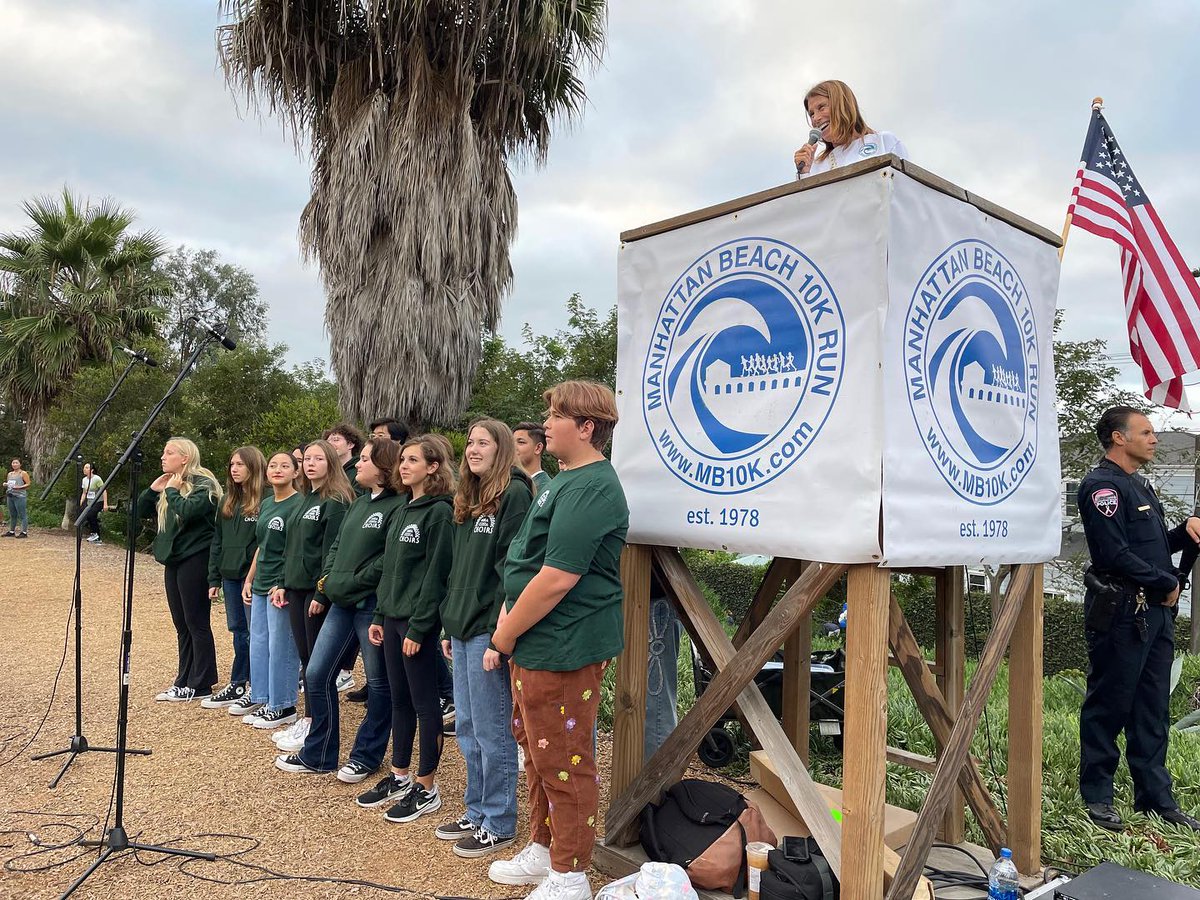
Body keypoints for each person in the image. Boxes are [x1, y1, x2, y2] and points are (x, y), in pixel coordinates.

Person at [486, 381, 628, 900]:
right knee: (538, 749)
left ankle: (571, 875)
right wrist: (509, 619)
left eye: (556, 415)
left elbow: (557, 577)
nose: (545, 424)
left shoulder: (593, 487)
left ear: (586, 427)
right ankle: (546, 849)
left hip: (567, 644)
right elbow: (526, 563)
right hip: (537, 642)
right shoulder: (560, 481)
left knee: (565, 758)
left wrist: (502, 635)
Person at [1077, 407, 1200, 833]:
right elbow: (1114, 555)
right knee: (1108, 707)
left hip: (1156, 615)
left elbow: (1151, 549)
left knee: (1152, 709)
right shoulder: (1102, 488)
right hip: (1123, 614)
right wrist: (1165, 579)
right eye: (1146, 432)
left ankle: (1155, 799)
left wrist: (1185, 532)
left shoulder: (1140, 484)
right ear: (1118, 438)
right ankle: (1097, 797)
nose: (1155, 439)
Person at [274, 437, 405, 779]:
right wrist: (329, 583)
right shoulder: (359, 504)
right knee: (316, 674)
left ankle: (367, 754)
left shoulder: (398, 507)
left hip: (372, 606)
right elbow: (336, 547)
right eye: (359, 458)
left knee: (379, 684)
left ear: (384, 468)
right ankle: (320, 753)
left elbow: (388, 562)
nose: (358, 464)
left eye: (365, 459)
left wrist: (352, 582)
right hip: (342, 603)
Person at [436, 419, 532, 858]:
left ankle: (499, 819)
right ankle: (476, 810)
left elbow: (511, 571)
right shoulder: (468, 498)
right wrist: (447, 625)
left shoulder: (514, 493)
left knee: (494, 730)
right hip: (460, 625)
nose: (473, 449)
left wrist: (499, 636)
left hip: (487, 630)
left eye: (483, 442)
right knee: (469, 727)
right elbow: (458, 570)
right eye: (470, 442)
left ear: (502, 448)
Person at [359, 434, 456, 824]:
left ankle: (426, 786)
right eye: (402, 459)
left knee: (424, 703)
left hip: (418, 624)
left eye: (413, 460)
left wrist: (420, 627)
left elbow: (436, 573)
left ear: (433, 467)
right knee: (397, 699)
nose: (403, 465)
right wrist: (380, 616)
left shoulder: (440, 512)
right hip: (392, 619)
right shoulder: (401, 510)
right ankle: (399, 775)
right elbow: (391, 569)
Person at [272, 440, 355, 753]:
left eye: (318, 458)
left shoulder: (336, 501)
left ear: (331, 462)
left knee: (317, 666)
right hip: (295, 588)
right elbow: (292, 546)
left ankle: (316, 723)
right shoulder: (306, 498)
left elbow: (331, 551)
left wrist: (323, 590)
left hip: (316, 592)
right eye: (307, 458)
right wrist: (282, 581)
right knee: (306, 660)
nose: (310, 464)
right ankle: (308, 719)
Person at [137, 438, 222, 702]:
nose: (163, 457)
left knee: (196, 621)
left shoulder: (203, 483)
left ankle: (202, 683)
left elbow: (189, 511)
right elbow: (139, 511)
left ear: (185, 457)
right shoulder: (169, 483)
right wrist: (153, 490)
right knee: (181, 623)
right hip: (174, 559)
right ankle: (183, 679)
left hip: (195, 557)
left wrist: (172, 491)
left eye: (169, 452)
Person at [239, 451, 306, 731]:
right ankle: (263, 696)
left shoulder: (298, 504)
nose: (277, 470)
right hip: (261, 581)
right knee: (259, 642)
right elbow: (262, 546)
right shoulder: (266, 504)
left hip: (281, 585)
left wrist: (283, 582)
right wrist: (249, 578)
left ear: (295, 472)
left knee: (282, 646)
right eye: (273, 466)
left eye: (285, 466)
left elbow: (295, 549)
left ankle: (283, 704)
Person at [204, 446, 266, 711]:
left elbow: (265, 543)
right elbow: (217, 541)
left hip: (252, 577)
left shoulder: (266, 499)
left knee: (255, 634)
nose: (235, 469)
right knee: (237, 631)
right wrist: (213, 578)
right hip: (229, 575)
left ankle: (255, 685)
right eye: (232, 464)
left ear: (253, 466)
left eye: (240, 464)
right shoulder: (227, 501)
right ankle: (239, 682)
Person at [793, 79, 907, 179]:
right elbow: (809, 202)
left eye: (822, 107)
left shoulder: (884, 141)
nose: (816, 118)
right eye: (812, 114)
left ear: (842, 105)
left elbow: (906, 192)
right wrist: (804, 174)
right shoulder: (816, 166)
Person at [513, 422, 551, 495]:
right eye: (511, 442)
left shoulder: (546, 489)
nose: (513, 447)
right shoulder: (511, 482)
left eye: (521, 442)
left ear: (538, 448)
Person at [79, 462, 109, 543]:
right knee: (86, 514)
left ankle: (96, 534)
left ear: (91, 470)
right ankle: (94, 534)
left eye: (87, 467)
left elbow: (104, 490)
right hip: (90, 502)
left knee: (91, 514)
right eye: (84, 467)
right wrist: (81, 501)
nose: (84, 469)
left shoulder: (97, 479)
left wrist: (105, 503)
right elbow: (84, 492)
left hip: (98, 501)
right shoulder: (84, 480)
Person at [5, 458, 31, 538]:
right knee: (12, 514)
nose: (14, 464)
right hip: (11, 495)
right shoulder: (10, 474)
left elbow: (28, 484)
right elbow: (10, 484)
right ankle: (12, 531)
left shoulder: (23, 473)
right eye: (13, 463)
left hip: (20, 496)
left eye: (16, 463)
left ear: (20, 464)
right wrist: (5, 484)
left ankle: (24, 532)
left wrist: (19, 487)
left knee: (22, 514)